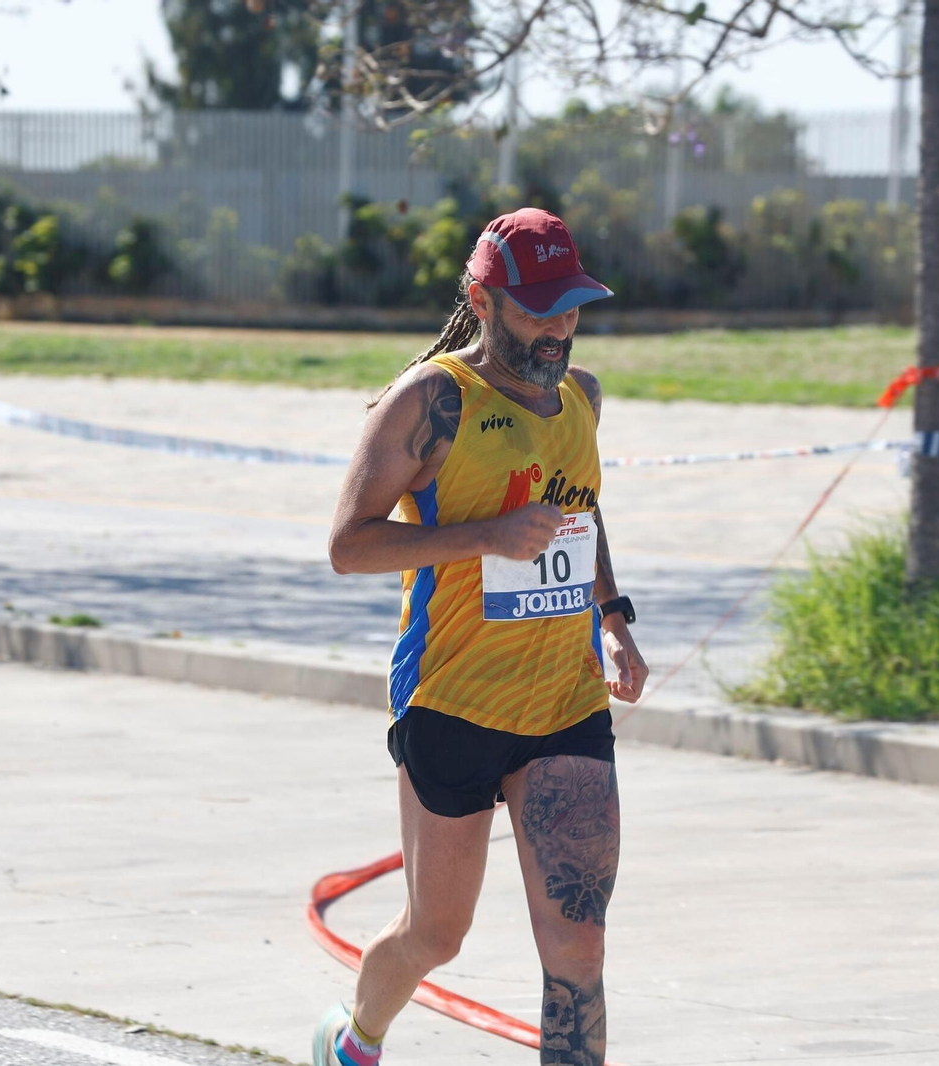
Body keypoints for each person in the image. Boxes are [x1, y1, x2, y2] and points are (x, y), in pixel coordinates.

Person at [316, 207, 649, 1066]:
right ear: (482, 298)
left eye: (571, 307)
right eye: (538, 310)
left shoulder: (582, 398)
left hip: (565, 704)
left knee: (579, 948)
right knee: (436, 934)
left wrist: (612, 619)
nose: (559, 329)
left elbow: (579, 506)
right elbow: (348, 545)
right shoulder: (432, 402)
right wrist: (484, 538)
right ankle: (358, 1039)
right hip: (452, 700)